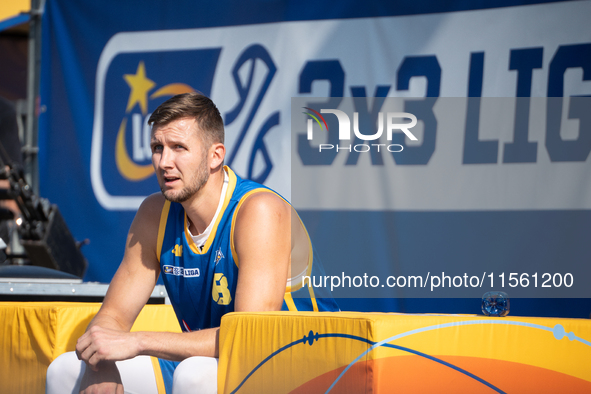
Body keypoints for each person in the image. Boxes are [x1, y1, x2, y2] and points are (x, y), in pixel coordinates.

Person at [46, 92, 338, 394]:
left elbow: (250, 339)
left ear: (215, 156)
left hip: (309, 364)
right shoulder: (153, 213)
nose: (164, 162)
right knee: (66, 371)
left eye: (178, 148)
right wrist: (102, 363)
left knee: (195, 375)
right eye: (157, 147)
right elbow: (114, 316)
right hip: (215, 359)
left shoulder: (259, 210)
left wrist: (136, 341)